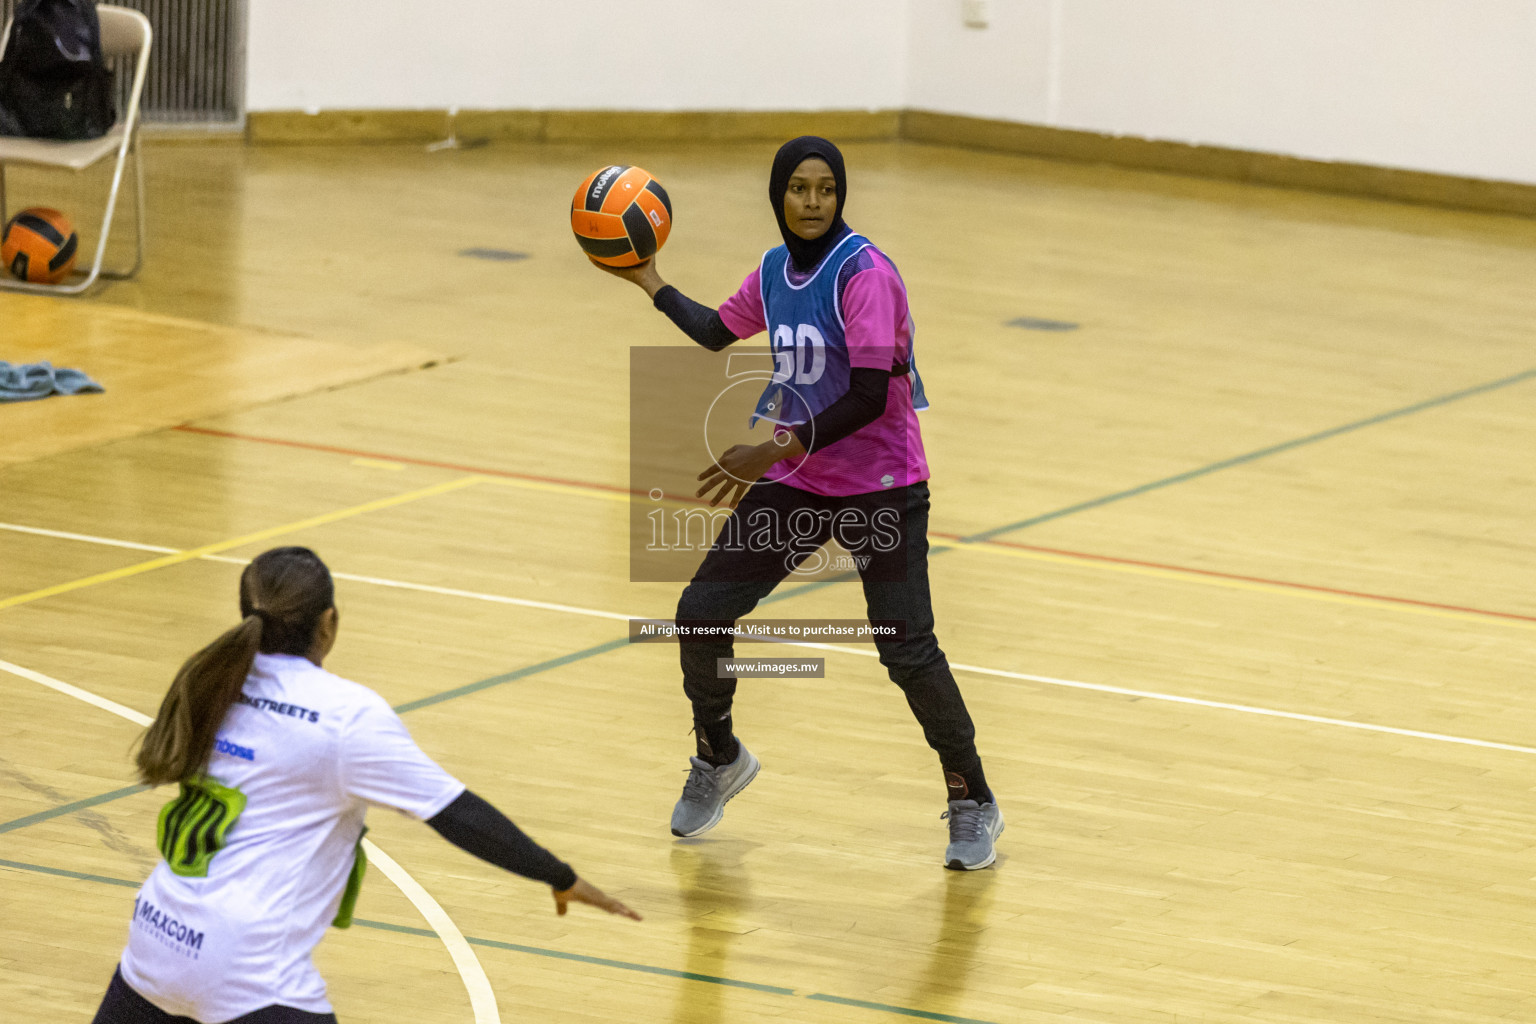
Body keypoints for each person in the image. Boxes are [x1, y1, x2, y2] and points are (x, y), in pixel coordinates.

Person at [594, 136, 1003, 870]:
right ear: (779, 196)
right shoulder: (775, 270)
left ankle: (972, 797)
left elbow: (870, 398)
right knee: (701, 612)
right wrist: (649, 281)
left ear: (840, 195)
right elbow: (718, 333)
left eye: (825, 189)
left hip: (884, 487)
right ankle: (719, 756)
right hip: (800, 484)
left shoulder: (865, 275)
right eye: (798, 190)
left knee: (906, 649)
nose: (812, 202)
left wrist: (770, 447)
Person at [92, 546, 638, 1024]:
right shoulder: (343, 716)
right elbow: (456, 814)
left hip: (156, 938)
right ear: (328, 623)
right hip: (247, 965)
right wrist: (559, 875)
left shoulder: (208, 679)